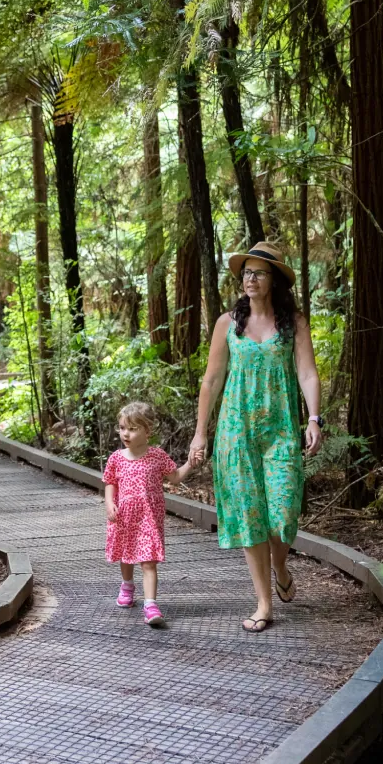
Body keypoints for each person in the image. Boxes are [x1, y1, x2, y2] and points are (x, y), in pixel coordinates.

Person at [189, 242, 324, 632]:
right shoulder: (227, 323)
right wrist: (201, 434)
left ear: (275, 280)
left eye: (259, 273)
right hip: (236, 431)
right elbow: (211, 381)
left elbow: (308, 373)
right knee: (250, 517)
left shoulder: (293, 322)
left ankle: (280, 563)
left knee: (283, 513)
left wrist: (314, 418)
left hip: (280, 428)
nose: (250, 279)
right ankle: (264, 604)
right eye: (246, 272)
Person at [104, 402, 202, 628]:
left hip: (148, 517)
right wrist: (109, 503)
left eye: (132, 428)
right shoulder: (116, 458)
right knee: (126, 554)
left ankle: (150, 605)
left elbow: (175, 477)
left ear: (148, 431)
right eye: (122, 428)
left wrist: (190, 463)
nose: (125, 433)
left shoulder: (157, 456)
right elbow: (110, 482)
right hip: (124, 516)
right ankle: (127, 584)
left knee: (148, 562)